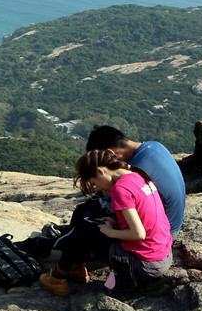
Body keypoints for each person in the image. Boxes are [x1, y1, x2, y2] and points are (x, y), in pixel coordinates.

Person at [40, 150, 173, 296]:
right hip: (163, 257)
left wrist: (111, 232)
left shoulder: (121, 188)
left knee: (84, 229)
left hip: (143, 264)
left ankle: (58, 278)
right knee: (93, 225)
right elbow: (145, 220)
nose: (99, 188)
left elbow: (138, 233)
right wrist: (115, 224)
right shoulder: (138, 176)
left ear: (100, 171)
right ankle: (75, 268)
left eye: (94, 183)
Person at [85, 126, 185, 235]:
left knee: (91, 219)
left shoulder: (134, 173)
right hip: (173, 221)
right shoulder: (155, 145)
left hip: (160, 233)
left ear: (111, 153)